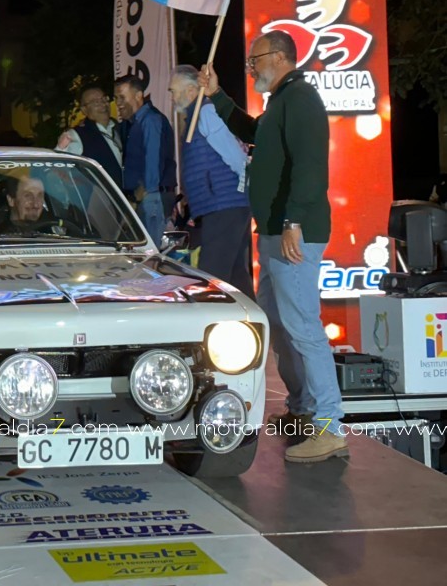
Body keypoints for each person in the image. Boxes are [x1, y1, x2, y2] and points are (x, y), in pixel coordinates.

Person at [200, 30, 346, 463]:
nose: (250, 67)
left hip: (291, 234)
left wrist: (294, 222)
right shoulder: (282, 102)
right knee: (281, 327)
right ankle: (304, 410)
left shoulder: (299, 100)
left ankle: (329, 426)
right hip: (277, 232)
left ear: (280, 57)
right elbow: (252, 131)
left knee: (303, 328)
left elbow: (309, 167)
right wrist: (218, 95)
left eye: (254, 59)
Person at [167, 66, 253, 296]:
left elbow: (234, 153)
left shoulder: (206, 113)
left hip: (224, 205)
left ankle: (213, 325)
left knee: (213, 275)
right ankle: (254, 325)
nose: (173, 97)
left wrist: (243, 185)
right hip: (224, 204)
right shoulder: (198, 115)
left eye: (175, 91)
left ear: (192, 90)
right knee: (234, 276)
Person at [114, 75, 177, 248]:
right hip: (147, 197)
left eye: (122, 97)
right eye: (116, 98)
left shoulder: (150, 120)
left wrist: (139, 195)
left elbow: (153, 162)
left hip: (151, 198)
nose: (118, 103)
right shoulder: (133, 123)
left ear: (138, 95)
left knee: (150, 254)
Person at [56, 85, 123, 186]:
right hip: (97, 198)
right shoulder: (76, 135)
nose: (103, 104)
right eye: (96, 102)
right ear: (84, 109)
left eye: (104, 99)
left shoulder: (119, 128)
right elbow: (57, 168)